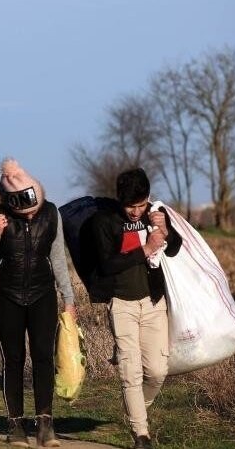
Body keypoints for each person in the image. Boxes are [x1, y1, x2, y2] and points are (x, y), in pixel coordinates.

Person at [0, 159, 76, 447]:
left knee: (43, 357)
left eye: (34, 212)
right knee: (13, 359)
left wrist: (69, 298)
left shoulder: (52, 213)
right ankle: (15, 424)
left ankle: (45, 423)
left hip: (43, 293)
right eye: (24, 213)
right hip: (5, 295)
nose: (30, 217)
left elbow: (58, 260)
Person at [87, 168, 182, 449]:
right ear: (120, 200)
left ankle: (134, 407)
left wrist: (164, 230)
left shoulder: (155, 213)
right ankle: (142, 435)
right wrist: (146, 248)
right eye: (131, 206)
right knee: (131, 372)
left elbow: (175, 248)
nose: (136, 211)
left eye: (141, 205)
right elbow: (106, 265)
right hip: (121, 304)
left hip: (153, 303)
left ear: (148, 198)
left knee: (157, 372)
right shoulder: (103, 222)